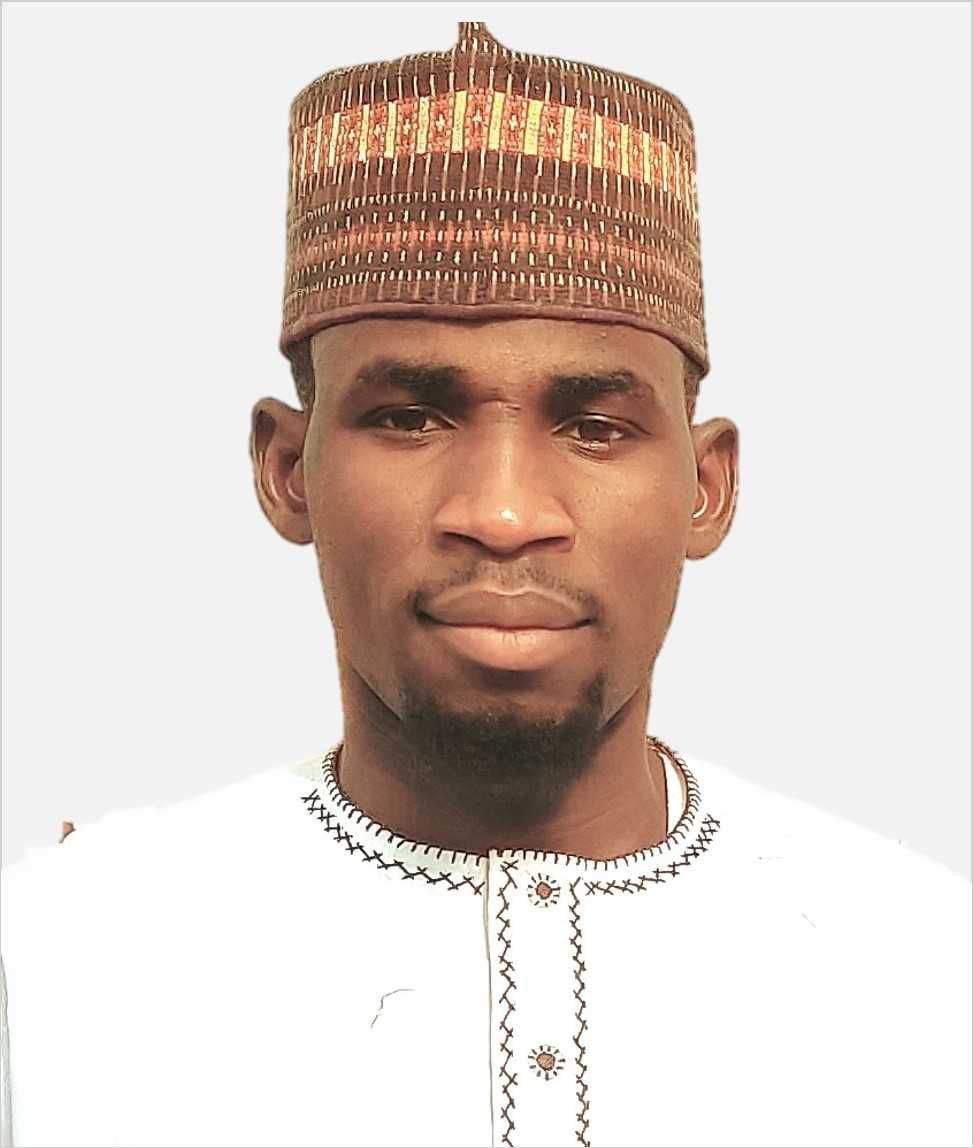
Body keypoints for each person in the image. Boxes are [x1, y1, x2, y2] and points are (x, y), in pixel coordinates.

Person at [1, 20, 969, 1148]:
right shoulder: (56, 959)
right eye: (408, 417)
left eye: (595, 426)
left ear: (705, 488)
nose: (503, 514)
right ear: (287, 471)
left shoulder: (926, 966)